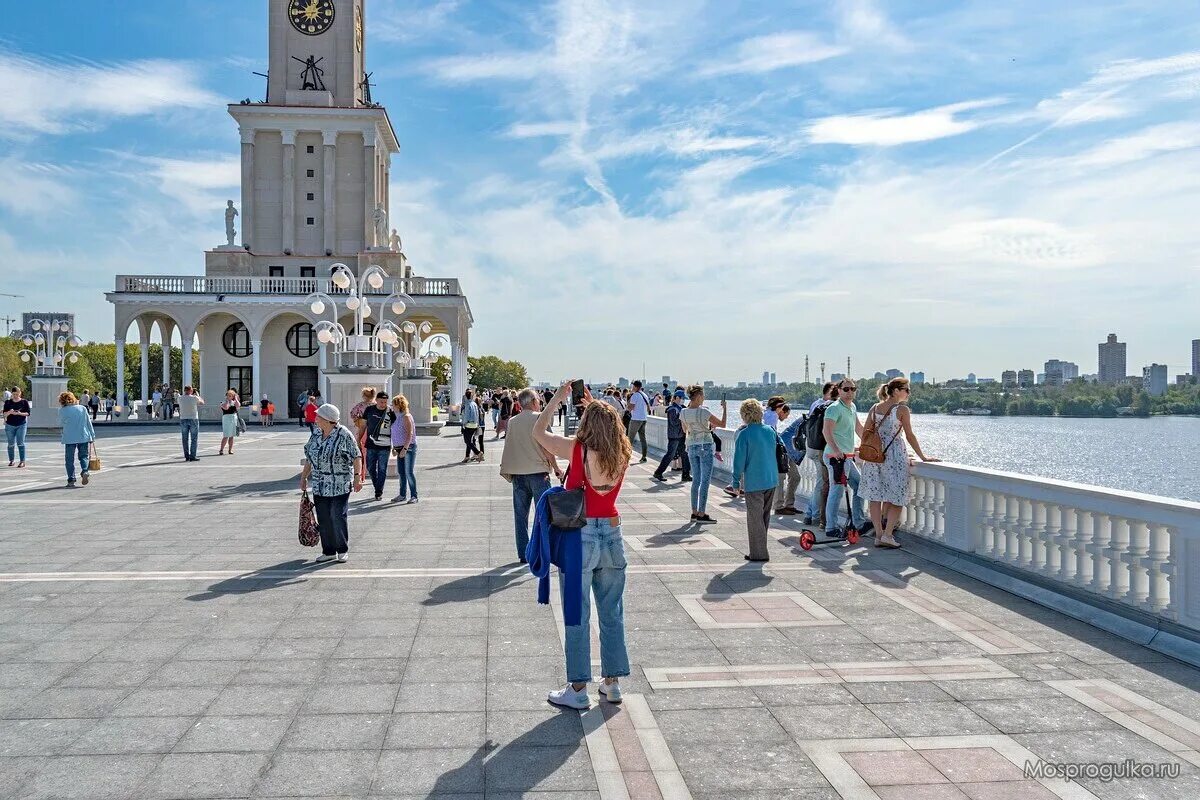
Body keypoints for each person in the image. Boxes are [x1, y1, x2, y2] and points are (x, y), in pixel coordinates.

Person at [534, 381, 632, 709]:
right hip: (613, 534)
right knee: (611, 611)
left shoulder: (577, 450)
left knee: (578, 613)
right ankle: (612, 683)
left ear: (586, 424)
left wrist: (558, 399)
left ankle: (577, 689)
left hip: (582, 536)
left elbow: (539, 431)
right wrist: (596, 406)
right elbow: (608, 426)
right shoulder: (624, 451)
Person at [859, 378, 939, 548]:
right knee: (898, 496)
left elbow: (866, 432)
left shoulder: (874, 408)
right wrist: (923, 457)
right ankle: (888, 535)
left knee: (875, 497)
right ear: (896, 391)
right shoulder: (902, 409)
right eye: (906, 389)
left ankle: (878, 536)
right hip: (894, 456)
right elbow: (909, 435)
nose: (908, 393)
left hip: (875, 457)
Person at [501, 387, 562, 562]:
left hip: (519, 474)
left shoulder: (512, 421)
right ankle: (543, 550)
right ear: (534, 401)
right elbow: (548, 447)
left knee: (520, 516)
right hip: (538, 473)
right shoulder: (540, 419)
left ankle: (523, 553)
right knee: (544, 515)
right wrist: (556, 467)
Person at [300, 403, 363, 563]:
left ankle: (342, 549)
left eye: (318, 416)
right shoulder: (315, 434)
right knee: (324, 517)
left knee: (337, 515)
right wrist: (304, 476)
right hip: (320, 484)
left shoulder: (344, 434)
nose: (315, 419)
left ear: (328, 420)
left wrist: (357, 477)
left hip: (340, 483)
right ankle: (328, 551)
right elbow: (309, 457)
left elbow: (357, 456)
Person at [730, 399, 779, 561]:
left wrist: (736, 482)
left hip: (754, 481)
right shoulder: (770, 430)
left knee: (754, 518)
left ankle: (759, 553)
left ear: (744, 415)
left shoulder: (744, 434)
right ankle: (760, 549)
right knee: (764, 517)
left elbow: (739, 461)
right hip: (771, 478)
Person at [823, 379, 870, 539]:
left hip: (847, 458)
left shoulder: (852, 407)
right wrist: (836, 450)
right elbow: (826, 431)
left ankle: (859, 523)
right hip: (834, 457)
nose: (850, 392)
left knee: (860, 485)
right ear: (839, 390)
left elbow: (858, 429)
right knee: (836, 492)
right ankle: (830, 528)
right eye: (846, 389)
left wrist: (873, 445)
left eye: (853, 389)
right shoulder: (834, 408)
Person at [679, 386, 728, 522]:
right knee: (705, 481)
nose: (704, 398)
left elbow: (685, 430)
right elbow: (723, 424)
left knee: (696, 480)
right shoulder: (704, 412)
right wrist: (724, 408)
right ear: (699, 396)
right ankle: (702, 513)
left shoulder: (683, 412)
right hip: (705, 446)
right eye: (703, 395)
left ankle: (694, 512)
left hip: (691, 446)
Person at [803, 383, 838, 527]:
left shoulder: (816, 404)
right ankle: (814, 515)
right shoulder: (830, 407)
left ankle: (810, 514)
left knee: (819, 482)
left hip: (811, 445)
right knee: (821, 483)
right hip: (820, 448)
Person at [361, 391, 395, 501]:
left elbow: (395, 429)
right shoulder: (369, 410)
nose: (383, 404)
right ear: (376, 400)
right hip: (371, 444)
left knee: (382, 469)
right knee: (370, 468)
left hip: (385, 446)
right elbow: (363, 426)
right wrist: (358, 438)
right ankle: (377, 487)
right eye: (381, 402)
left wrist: (395, 445)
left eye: (385, 402)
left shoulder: (390, 412)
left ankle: (378, 491)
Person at [651, 389, 691, 484]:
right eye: (681, 398)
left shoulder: (681, 408)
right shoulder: (672, 409)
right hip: (674, 436)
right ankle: (658, 472)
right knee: (670, 455)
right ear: (676, 398)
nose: (683, 400)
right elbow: (674, 422)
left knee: (684, 454)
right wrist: (683, 420)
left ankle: (686, 474)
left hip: (680, 435)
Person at [59, 392, 96, 487]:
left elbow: (61, 423)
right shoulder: (82, 408)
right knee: (83, 456)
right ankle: (85, 471)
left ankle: (71, 479)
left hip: (69, 437)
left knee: (69, 459)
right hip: (83, 436)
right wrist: (92, 436)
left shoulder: (62, 410)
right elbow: (88, 423)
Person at [773, 403, 801, 516]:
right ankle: (778, 506)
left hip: (790, 449)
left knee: (795, 477)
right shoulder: (808, 419)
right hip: (783, 448)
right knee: (781, 477)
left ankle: (789, 505)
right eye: (787, 414)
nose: (787, 417)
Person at [390, 394, 418, 504]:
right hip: (399, 447)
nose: (392, 406)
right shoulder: (396, 416)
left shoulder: (406, 416)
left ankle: (414, 495)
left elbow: (409, 434)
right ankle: (402, 495)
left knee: (408, 472)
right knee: (401, 472)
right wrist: (394, 447)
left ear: (399, 405)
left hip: (408, 447)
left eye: (394, 404)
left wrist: (405, 449)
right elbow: (396, 433)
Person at [624, 380, 650, 463]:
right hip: (644, 419)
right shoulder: (645, 395)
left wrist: (627, 404)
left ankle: (626, 457)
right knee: (643, 438)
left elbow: (630, 407)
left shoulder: (635, 395)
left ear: (635, 386)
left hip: (636, 419)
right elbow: (648, 408)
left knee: (629, 438)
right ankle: (644, 456)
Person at [4, 386, 30, 467]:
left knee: (20, 443)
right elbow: (4, 414)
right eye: (14, 394)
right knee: (11, 443)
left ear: (20, 393)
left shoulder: (24, 402)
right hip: (10, 425)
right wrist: (9, 412)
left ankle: (22, 461)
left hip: (21, 424)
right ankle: (11, 460)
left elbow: (28, 413)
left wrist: (19, 413)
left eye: (17, 394)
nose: (15, 396)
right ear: (12, 393)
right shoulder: (8, 402)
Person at [178, 386, 204, 461]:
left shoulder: (180, 398)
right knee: (194, 438)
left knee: (184, 439)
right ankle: (193, 456)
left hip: (183, 419)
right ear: (191, 390)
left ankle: (186, 456)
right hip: (193, 419)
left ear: (184, 390)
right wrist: (198, 395)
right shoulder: (194, 397)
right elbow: (202, 403)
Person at [461, 389, 483, 462]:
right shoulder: (474, 404)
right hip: (474, 424)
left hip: (469, 424)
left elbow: (466, 415)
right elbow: (477, 414)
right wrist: (477, 424)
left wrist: (464, 424)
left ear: (465, 397)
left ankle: (478, 453)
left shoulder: (467, 404)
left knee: (467, 441)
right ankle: (467, 456)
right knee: (470, 441)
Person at [219, 390, 241, 455]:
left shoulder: (234, 402)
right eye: (228, 395)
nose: (229, 397)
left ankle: (230, 450)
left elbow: (238, 406)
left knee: (232, 436)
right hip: (226, 419)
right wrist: (227, 401)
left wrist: (236, 399)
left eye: (231, 396)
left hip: (233, 418)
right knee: (226, 435)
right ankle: (221, 449)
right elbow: (226, 407)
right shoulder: (223, 403)